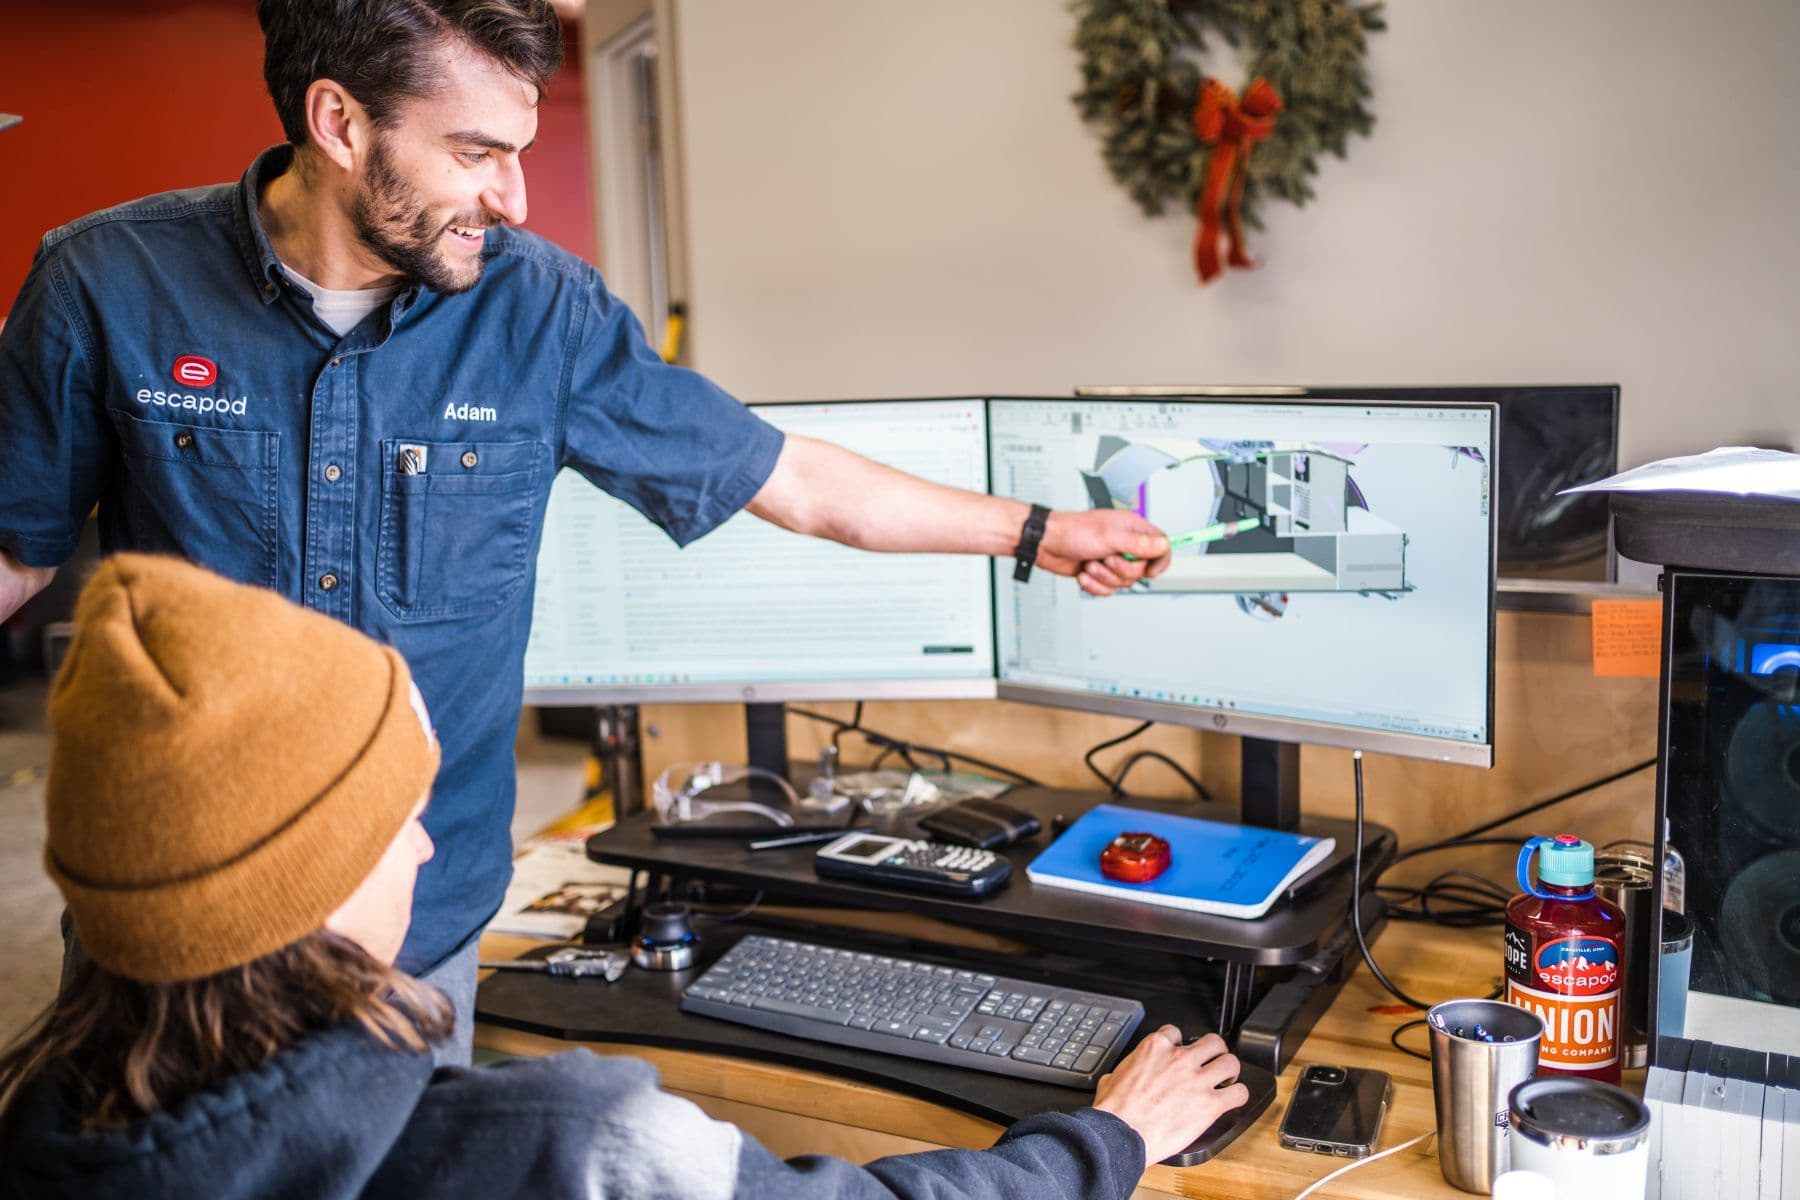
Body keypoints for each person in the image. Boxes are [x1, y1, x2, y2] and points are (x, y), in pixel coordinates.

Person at [0, 0, 1171, 1062]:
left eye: (516, 153)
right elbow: (17, 552)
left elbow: (793, 481)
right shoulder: (107, 282)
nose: (512, 197)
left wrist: (1038, 530)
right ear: (339, 121)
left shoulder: (541, 310)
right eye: (475, 154)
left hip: (415, 933)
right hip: (169, 934)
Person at [0, 555, 1244, 1199]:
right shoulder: (562, 1147)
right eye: (398, 820)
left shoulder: (43, 1132)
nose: (429, 848)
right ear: (304, 882)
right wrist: (1106, 1141)